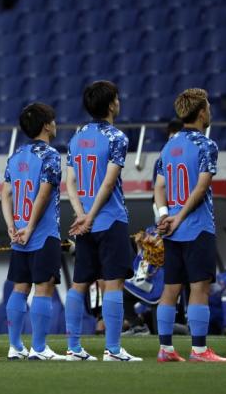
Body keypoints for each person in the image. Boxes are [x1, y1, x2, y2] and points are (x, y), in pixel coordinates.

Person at [64, 81, 142, 362]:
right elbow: (108, 184)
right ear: (111, 105)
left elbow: (70, 181)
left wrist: (81, 214)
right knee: (113, 283)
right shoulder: (117, 138)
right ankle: (113, 349)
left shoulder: (77, 136)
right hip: (108, 220)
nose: (119, 102)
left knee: (80, 284)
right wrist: (92, 215)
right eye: (117, 99)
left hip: (82, 223)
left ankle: (73, 348)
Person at [154, 88, 226, 363]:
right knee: (199, 288)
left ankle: (165, 349)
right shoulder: (206, 145)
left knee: (170, 288)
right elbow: (201, 188)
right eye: (208, 106)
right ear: (201, 112)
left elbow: (160, 186)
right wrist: (180, 216)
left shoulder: (170, 145)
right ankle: (200, 350)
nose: (210, 110)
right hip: (197, 227)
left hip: (172, 231)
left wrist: (165, 216)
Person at [2, 103, 64, 361]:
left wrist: (12, 226)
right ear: (47, 125)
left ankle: (15, 345)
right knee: (43, 288)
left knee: (20, 288)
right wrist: (29, 227)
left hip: (19, 235)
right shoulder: (51, 156)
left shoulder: (16, 156)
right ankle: (39, 348)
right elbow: (44, 192)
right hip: (43, 233)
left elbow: (5, 193)